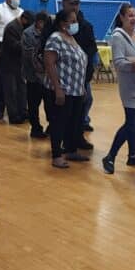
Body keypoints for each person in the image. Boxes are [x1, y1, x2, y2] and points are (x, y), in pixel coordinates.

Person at [102, 4, 135, 175]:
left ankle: (133, 155)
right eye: (130, 15)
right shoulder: (117, 37)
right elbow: (118, 63)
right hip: (129, 87)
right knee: (131, 123)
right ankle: (110, 156)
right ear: (122, 17)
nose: (133, 18)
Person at [42, 9, 89, 168]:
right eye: (73, 20)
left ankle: (71, 150)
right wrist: (58, 88)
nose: (76, 24)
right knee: (59, 122)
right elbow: (49, 63)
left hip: (76, 90)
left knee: (73, 122)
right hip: (62, 89)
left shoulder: (72, 39)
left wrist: (82, 88)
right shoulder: (55, 39)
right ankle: (56, 155)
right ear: (63, 24)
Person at [61, 0, 98, 136]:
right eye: (71, 3)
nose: (74, 6)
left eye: (77, 3)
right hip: (63, 74)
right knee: (64, 105)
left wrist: (89, 72)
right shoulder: (56, 26)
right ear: (64, 4)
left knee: (86, 99)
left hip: (82, 74)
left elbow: (91, 49)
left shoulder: (86, 26)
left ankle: (81, 125)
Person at [0, 0, 24, 119]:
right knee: (1, 80)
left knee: (17, 81)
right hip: (0, 45)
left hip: (16, 48)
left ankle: (18, 109)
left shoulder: (21, 12)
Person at [0, 11, 32, 123]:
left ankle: (23, 111)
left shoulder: (20, 26)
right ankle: (13, 115)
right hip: (8, 63)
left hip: (19, 63)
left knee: (22, 88)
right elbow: (14, 46)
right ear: (23, 18)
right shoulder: (11, 28)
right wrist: (29, 44)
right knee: (11, 90)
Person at [22, 11, 50, 138]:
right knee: (33, 104)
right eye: (43, 23)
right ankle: (35, 128)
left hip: (48, 76)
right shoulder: (28, 33)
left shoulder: (50, 31)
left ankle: (52, 126)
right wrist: (38, 66)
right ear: (38, 22)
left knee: (50, 104)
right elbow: (28, 54)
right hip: (33, 76)